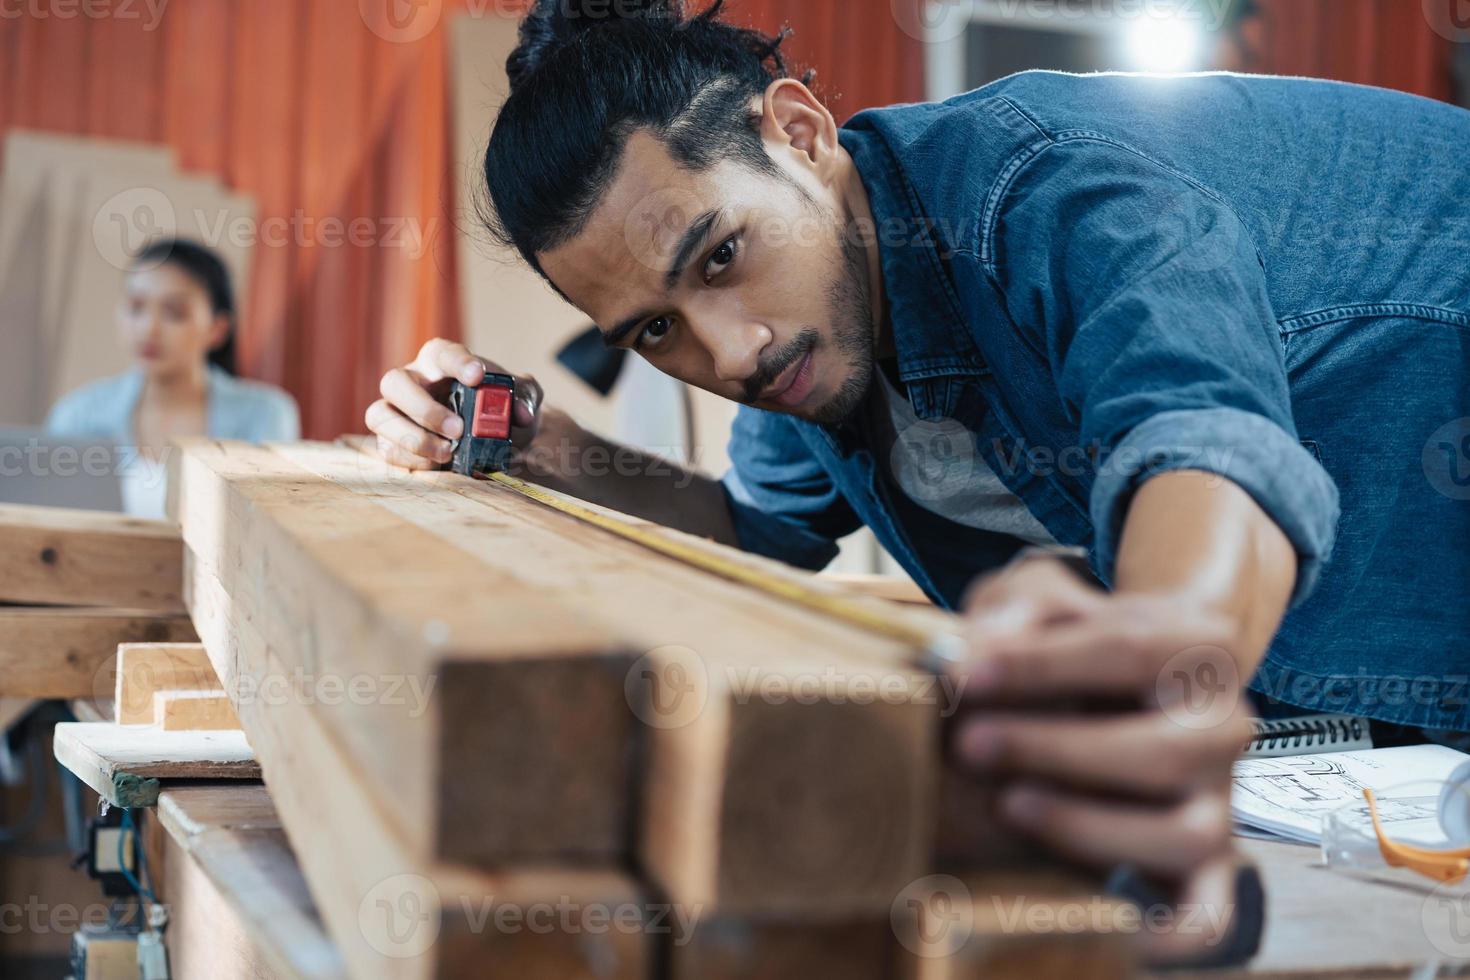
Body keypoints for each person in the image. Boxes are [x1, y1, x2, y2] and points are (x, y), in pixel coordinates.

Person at [365, 0, 1470, 959]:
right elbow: (753, 532)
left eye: (719, 256)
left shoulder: (1040, 186)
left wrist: (1171, 645)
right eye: (657, 328)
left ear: (797, 132)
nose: (732, 350)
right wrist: (543, 448)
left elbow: (1200, 435)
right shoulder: (815, 342)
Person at [47, 238, 299, 517]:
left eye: (174, 313)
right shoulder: (77, 415)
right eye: (136, 307)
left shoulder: (264, 415)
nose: (148, 329)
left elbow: (266, 525)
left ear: (217, 328)